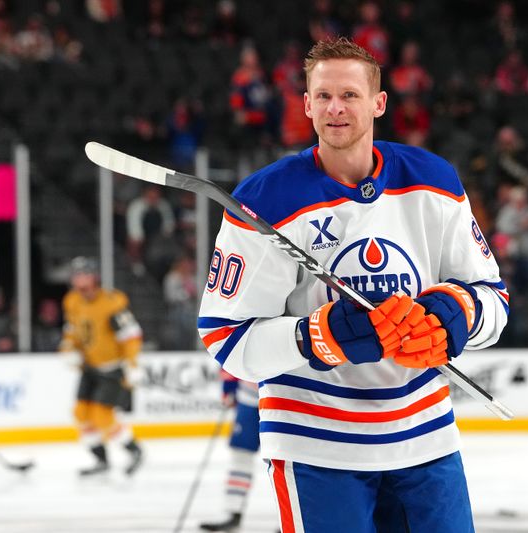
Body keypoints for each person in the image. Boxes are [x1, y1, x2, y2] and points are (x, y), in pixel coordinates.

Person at [197, 37, 508, 533]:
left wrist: (458, 311)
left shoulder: (434, 181)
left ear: (379, 103)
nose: (335, 108)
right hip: (315, 448)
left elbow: (494, 297)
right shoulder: (264, 199)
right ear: (305, 104)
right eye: (322, 96)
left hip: (425, 442)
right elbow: (224, 337)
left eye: (350, 95)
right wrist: (319, 336)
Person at [59, 257, 145, 476]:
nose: (80, 280)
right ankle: (101, 459)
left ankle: (134, 450)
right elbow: (73, 330)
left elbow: (131, 335)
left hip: (112, 368)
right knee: (81, 413)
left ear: (94, 277)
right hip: (89, 368)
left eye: (84, 275)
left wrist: (132, 364)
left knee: (101, 416)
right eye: (76, 276)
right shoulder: (72, 301)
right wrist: (69, 348)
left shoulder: (111, 302)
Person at [199, 374, 261, 532]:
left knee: (285, 459)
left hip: (285, 399)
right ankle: (233, 512)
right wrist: (229, 383)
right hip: (250, 397)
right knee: (240, 455)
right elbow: (233, 351)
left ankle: (290, 516)